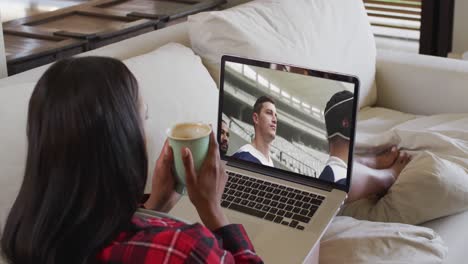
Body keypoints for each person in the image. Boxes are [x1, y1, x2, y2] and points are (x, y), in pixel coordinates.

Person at [0, 57, 263, 264]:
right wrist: (213, 210)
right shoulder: (185, 249)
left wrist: (153, 206)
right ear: (122, 140)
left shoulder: (23, 236)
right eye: (143, 118)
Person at [319, 90, 411, 203]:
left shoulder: (334, 169)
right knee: (339, 182)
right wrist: (392, 173)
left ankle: (369, 162)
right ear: (346, 123)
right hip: (335, 183)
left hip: (339, 166)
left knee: (340, 169)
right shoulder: (334, 176)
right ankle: (387, 176)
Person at [232, 96, 277, 167]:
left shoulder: (270, 163)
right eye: (269, 113)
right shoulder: (243, 157)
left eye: (275, 115)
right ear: (256, 118)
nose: (275, 120)